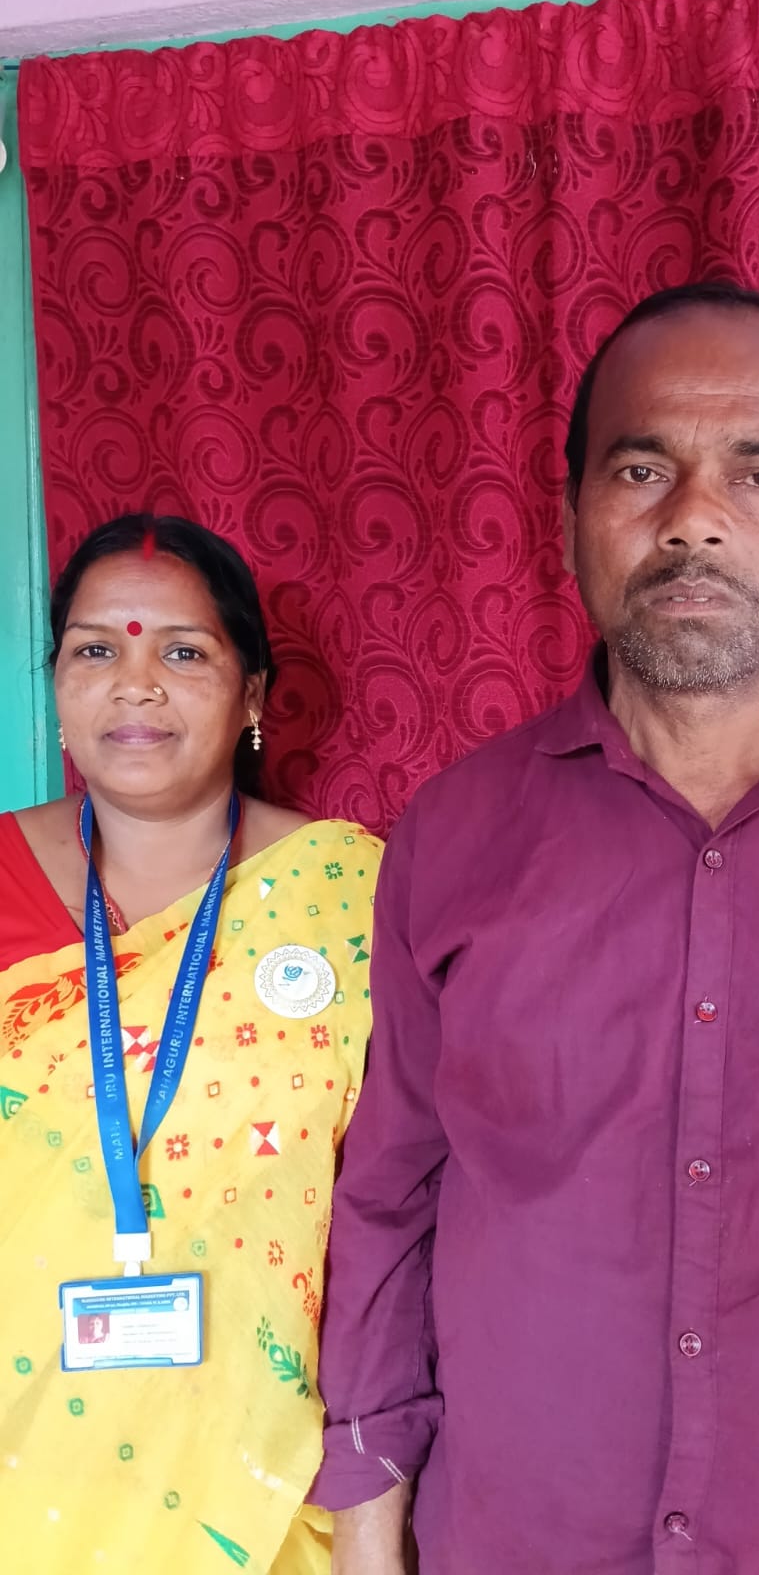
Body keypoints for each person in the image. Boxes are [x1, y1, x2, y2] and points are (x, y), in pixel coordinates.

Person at [308, 280, 759, 1574]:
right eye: (641, 469)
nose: (693, 517)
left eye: (757, 473)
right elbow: (392, 1196)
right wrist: (363, 1531)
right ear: (574, 511)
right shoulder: (455, 833)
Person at [0, 513, 382, 1575]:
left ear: (253, 694)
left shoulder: (351, 894)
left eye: (182, 653)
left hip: (269, 1476)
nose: (135, 685)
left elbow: (405, 1201)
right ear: (56, 683)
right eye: (95, 651)